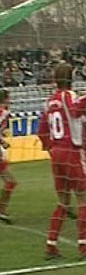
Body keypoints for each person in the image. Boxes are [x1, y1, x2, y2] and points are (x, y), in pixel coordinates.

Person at [38, 63, 86, 259]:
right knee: (84, 198)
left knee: (63, 201)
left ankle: (51, 245)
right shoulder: (68, 95)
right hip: (72, 150)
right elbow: (75, 111)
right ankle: (82, 247)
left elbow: (42, 130)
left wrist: (51, 150)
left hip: (56, 153)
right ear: (71, 78)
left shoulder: (49, 101)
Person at [0, 90, 17, 224]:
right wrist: (3, 141)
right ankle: (2, 210)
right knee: (10, 181)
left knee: (10, 182)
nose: (10, 101)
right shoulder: (3, 113)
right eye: (9, 99)